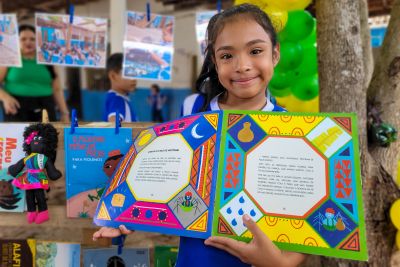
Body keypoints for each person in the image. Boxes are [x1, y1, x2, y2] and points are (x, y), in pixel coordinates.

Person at [93, 4, 305, 267]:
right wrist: (125, 215)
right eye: (227, 56)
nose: (242, 66)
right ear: (215, 62)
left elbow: (309, 220)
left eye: (255, 51)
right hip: (197, 259)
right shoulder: (195, 113)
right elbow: (165, 181)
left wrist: (283, 263)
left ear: (275, 54)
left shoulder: (293, 130)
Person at [0, 24, 70, 122]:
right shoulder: (10, 59)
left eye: (32, 39)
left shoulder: (47, 60)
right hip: (17, 107)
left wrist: (64, 113)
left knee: (47, 136)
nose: (28, 42)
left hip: (45, 106)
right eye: (23, 39)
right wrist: (5, 97)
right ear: (17, 41)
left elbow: (57, 89)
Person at [103, 53, 138, 122]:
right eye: (128, 73)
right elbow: (114, 125)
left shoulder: (121, 97)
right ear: (113, 76)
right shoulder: (116, 99)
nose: (134, 78)